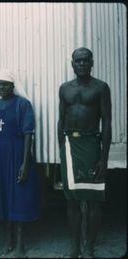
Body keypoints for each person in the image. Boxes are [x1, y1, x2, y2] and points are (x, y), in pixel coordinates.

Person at [58, 47, 111, 258]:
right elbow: (61, 119)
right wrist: (62, 147)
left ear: (92, 62)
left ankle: (89, 247)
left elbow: (106, 122)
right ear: (72, 64)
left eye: (85, 60)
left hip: (91, 144)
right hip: (71, 145)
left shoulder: (100, 88)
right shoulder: (64, 89)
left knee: (93, 198)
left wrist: (103, 159)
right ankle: (75, 247)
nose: (81, 64)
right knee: (71, 199)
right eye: (78, 61)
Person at [0, 69, 40, 257]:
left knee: (19, 198)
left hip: (17, 155)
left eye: (5, 84)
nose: (1, 87)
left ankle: (20, 244)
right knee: (4, 197)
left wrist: (25, 164)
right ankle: (8, 241)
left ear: (13, 86)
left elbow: (28, 135)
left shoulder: (22, 105)